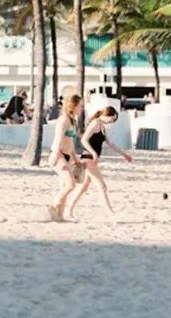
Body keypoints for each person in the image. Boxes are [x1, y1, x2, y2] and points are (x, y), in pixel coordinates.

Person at [66, 105, 133, 216]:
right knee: (102, 186)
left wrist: (124, 155)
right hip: (88, 158)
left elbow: (110, 143)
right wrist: (93, 152)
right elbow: (83, 140)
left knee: (83, 188)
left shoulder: (102, 126)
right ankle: (111, 213)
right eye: (112, 119)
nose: (112, 122)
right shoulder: (95, 124)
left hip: (92, 159)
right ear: (106, 115)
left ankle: (69, 211)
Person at [47, 93, 86, 222]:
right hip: (59, 155)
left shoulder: (71, 120)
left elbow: (70, 142)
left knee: (65, 185)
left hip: (67, 155)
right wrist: (56, 155)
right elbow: (59, 138)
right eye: (80, 106)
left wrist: (75, 159)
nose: (81, 108)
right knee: (70, 184)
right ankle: (54, 205)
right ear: (73, 106)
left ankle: (60, 216)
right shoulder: (63, 119)